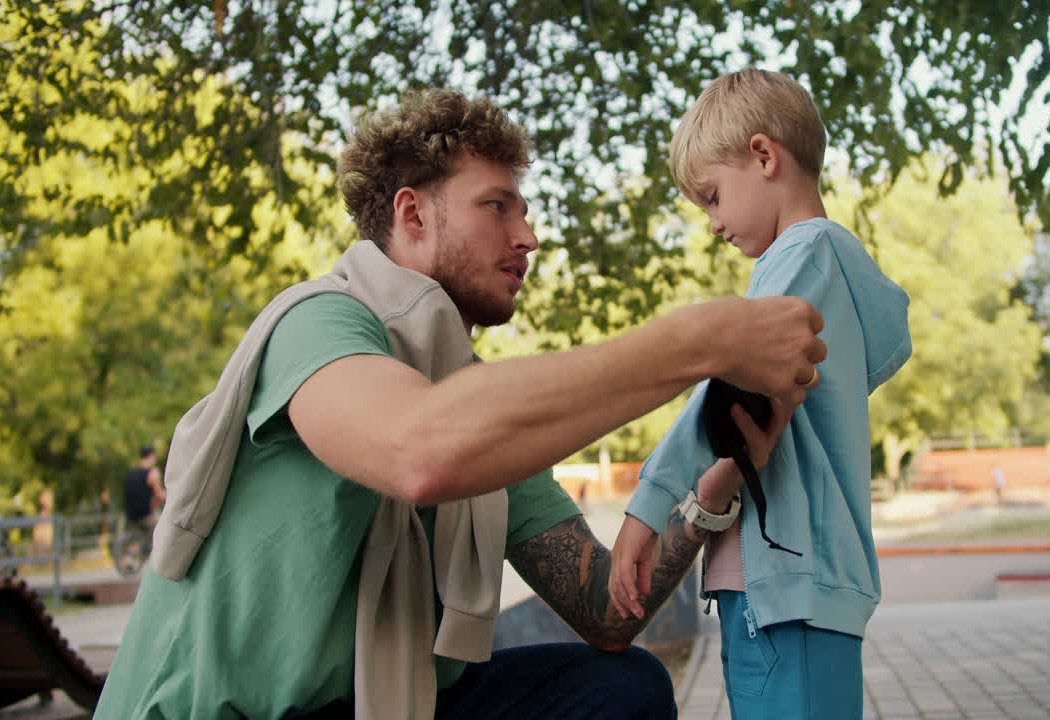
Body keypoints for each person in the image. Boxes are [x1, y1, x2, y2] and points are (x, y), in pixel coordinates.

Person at [94, 88, 826, 720]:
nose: (528, 237)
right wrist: (700, 339)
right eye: (496, 206)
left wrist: (713, 491)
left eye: (524, 210)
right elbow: (418, 451)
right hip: (228, 711)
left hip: (377, 704)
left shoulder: (475, 416)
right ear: (412, 216)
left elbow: (607, 611)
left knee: (619, 688)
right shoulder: (318, 324)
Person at [609, 69, 912, 720]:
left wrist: (649, 504)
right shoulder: (825, 266)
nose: (714, 223)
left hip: (785, 590)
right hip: (786, 587)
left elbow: (728, 395)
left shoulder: (804, 253)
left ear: (764, 155)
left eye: (714, 197)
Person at [122, 446, 165, 532]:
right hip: (147, 517)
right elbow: (159, 496)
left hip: (131, 517)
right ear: (151, 456)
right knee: (163, 532)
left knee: (132, 541)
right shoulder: (152, 473)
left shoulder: (130, 473)